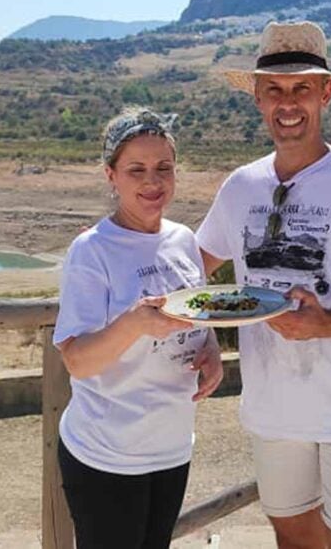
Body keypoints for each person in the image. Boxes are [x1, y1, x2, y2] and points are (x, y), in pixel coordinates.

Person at [196, 21, 331, 548]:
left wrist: (325, 325)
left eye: (301, 88)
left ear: (324, 94)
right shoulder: (240, 187)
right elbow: (191, 272)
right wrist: (203, 334)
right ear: (256, 98)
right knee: (293, 543)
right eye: (274, 89)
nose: (287, 103)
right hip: (273, 409)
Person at [52, 107, 223, 549]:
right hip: (108, 455)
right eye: (137, 170)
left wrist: (212, 352)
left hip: (171, 447)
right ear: (111, 175)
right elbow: (76, 359)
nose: (153, 182)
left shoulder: (184, 240)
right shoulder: (92, 251)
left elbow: (198, 313)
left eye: (163, 168)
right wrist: (135, 322)